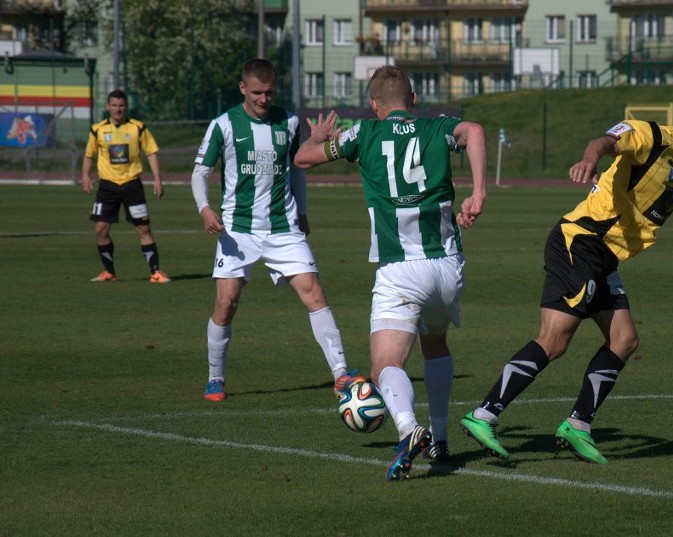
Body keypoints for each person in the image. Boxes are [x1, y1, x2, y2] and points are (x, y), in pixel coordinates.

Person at [460, 99, 673, 464]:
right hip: (581, 241)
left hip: (606, 256)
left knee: (625, 340)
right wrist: (589, 159)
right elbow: (605, 141)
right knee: (554, 339)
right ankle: (484, 414)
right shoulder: (651, 136)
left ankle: (577, 425)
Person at [294, 65, 487, 481]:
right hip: (446, 268)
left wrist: (319, 138)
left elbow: (303, 159)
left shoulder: (363, 133)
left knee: (385, 367)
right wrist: (479, 190)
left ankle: (406, 427)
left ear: (373, 104)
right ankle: (439, 436)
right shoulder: (437, 128)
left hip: (401, 271)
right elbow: (475, 132)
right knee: (434, 345)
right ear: (413, 100)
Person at [190, 58, 360, 403]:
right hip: (238, 230)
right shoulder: (223, 125)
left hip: (283, 227)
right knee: (226, 303)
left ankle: (341, 373)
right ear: (242, 89)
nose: (264, 99)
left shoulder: (289, 122)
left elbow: (297, 169)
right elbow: (200, 173)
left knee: (314, 293)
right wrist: (205, 208)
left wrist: (304, 211)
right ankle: (215, 379)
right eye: (256, 93)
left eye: (269, 93)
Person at [82, 89, 170, 283]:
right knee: (101, 229)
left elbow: (151, 153)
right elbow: (89, 154)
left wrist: (157, 179)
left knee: (143, 229)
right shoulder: (97, 129)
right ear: (108, 107)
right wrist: (85, 176)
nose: (118, 109)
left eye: (121, 105)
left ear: (126, 107)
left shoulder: (138, 127)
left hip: (132, 185)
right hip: (107, 186)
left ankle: (155, 272)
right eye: (114, 105)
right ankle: (109, 272)